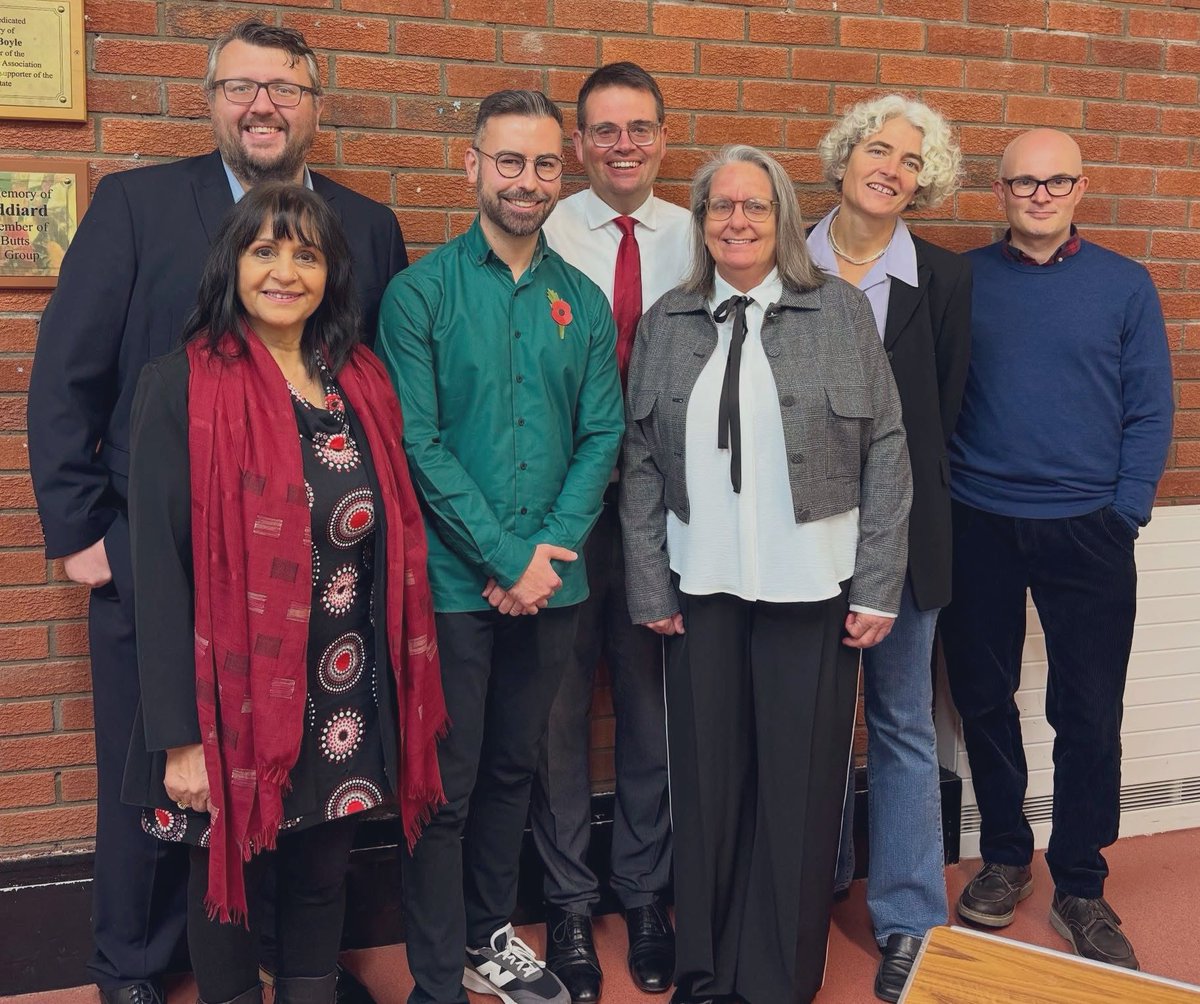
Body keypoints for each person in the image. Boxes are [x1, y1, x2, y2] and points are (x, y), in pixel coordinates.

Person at [25, 19, 406, 1004]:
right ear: (211, 101)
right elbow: (66, 375)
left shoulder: (365, 224)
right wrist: (81, 538)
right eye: (240, 86)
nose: (262, 104)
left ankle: (293, 964)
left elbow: (379, 398)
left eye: (284, 86)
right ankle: (135, 966)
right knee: (161, 781)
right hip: (163, 569)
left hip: (315, 585)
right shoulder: (137, 206)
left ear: (316, 104)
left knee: (307, 788)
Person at [125, 182, 444, 1004]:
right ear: (232, 265)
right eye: (264, 250)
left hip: (341, 682)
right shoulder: (182, 387)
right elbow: (157, 571)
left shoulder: (360, 381)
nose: (284, 271)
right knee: (223, 893)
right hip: (226, 694)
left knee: (319, 878)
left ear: (331, 273)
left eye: (305, 254)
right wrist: (180, 737)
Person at [620, 144, 911, 1004]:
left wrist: (877, 583)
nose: (736, 222)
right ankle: (705, 971)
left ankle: (779, 975)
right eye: (719, 208)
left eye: (754, 207)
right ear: (702, 222)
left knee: (799, 785)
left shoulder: (840, 312)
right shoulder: (671, 322)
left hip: (811, 587)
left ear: (782, 219)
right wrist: (648, 583)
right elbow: (639, 460)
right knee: (707, 787)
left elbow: (887, 450)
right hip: (699, 589)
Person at [377, 90, 624, 1004]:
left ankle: (489, 938)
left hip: (550, 587)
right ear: (471, 165)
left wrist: (545, 553)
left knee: (514, 769)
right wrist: (500, 557)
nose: (527, 181)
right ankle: (436, 977)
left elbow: (602, 434)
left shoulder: (582, 301)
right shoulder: (420, 295)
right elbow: (416, 441)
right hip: (452, 588)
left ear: (565, 172)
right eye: (509, 161)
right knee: (445, 783)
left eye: (544, 163)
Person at [941, 128, 1174, 970]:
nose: (1039, 195)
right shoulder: (960, 280)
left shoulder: (1124, 285)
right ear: (998, 193)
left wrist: (1124, 512)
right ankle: (1006, 854)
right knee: (984, 695)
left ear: (1080, 189)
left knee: (1088, 713)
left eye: (1056, 182)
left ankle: (1080, 880)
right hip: (980, 522)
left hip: (1090, 531)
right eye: (1023, 183)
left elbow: (1150, 409)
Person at [533, 61, 689, 1003]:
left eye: (639, 128)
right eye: (604, 131)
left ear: (664, 137)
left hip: (663, 513)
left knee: (649, 711)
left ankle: (644, 892)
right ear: (579, 144)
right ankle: (565, 901)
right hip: (561, 513)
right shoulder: (539, 230)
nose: (622, 145)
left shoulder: (699, 233)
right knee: (555, 717)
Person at [809, 95, 970, 1002]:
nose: (893, 168)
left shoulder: (945, 282)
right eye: (880, 149)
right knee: (817, 717)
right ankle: (817, 876)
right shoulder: (790, 259)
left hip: (906, 538)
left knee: (904, 724)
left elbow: (940, 415)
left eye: (912, 161)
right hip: (799, 542)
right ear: (844, 159)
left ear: (924, 181)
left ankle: (911, 918)